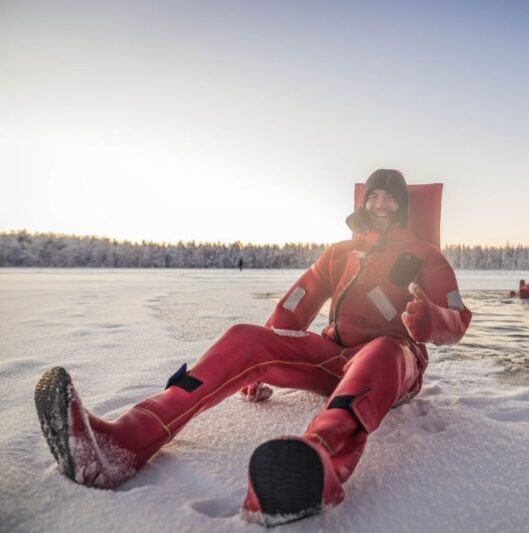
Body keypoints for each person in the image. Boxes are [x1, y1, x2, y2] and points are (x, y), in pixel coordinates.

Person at [34, 169, 472, 526]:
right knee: (245, 337)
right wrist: (261, 361)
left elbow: (458, 317)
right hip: (333, 356)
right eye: (374, 196)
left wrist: (433, 320)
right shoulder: (339, 253)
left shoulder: (425, 254)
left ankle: (317, 463)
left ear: (402, 206)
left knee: (380, 352)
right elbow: (297, 303)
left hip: (395, 361)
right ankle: (120, 445)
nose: (380, 204)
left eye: (390, 198)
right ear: (364, 202)